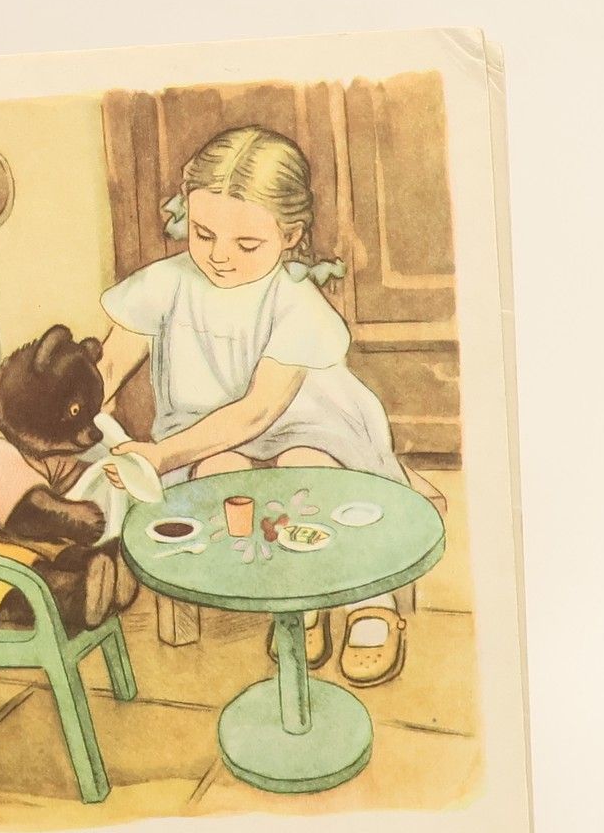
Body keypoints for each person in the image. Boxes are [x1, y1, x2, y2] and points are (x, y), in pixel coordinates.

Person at [98, 124, 411, 685]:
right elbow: (105, 369)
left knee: (307, 474)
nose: (219, 257)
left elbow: (259, 412)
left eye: (247, 245)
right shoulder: (165, 283)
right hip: (202, 434)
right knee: (220, 476)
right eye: (203, 234)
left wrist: (161, 456)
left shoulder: (294, 300)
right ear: (186, 212)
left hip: (307, 426)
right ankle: (298, 597)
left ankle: (369, 604)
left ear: (290, 236)